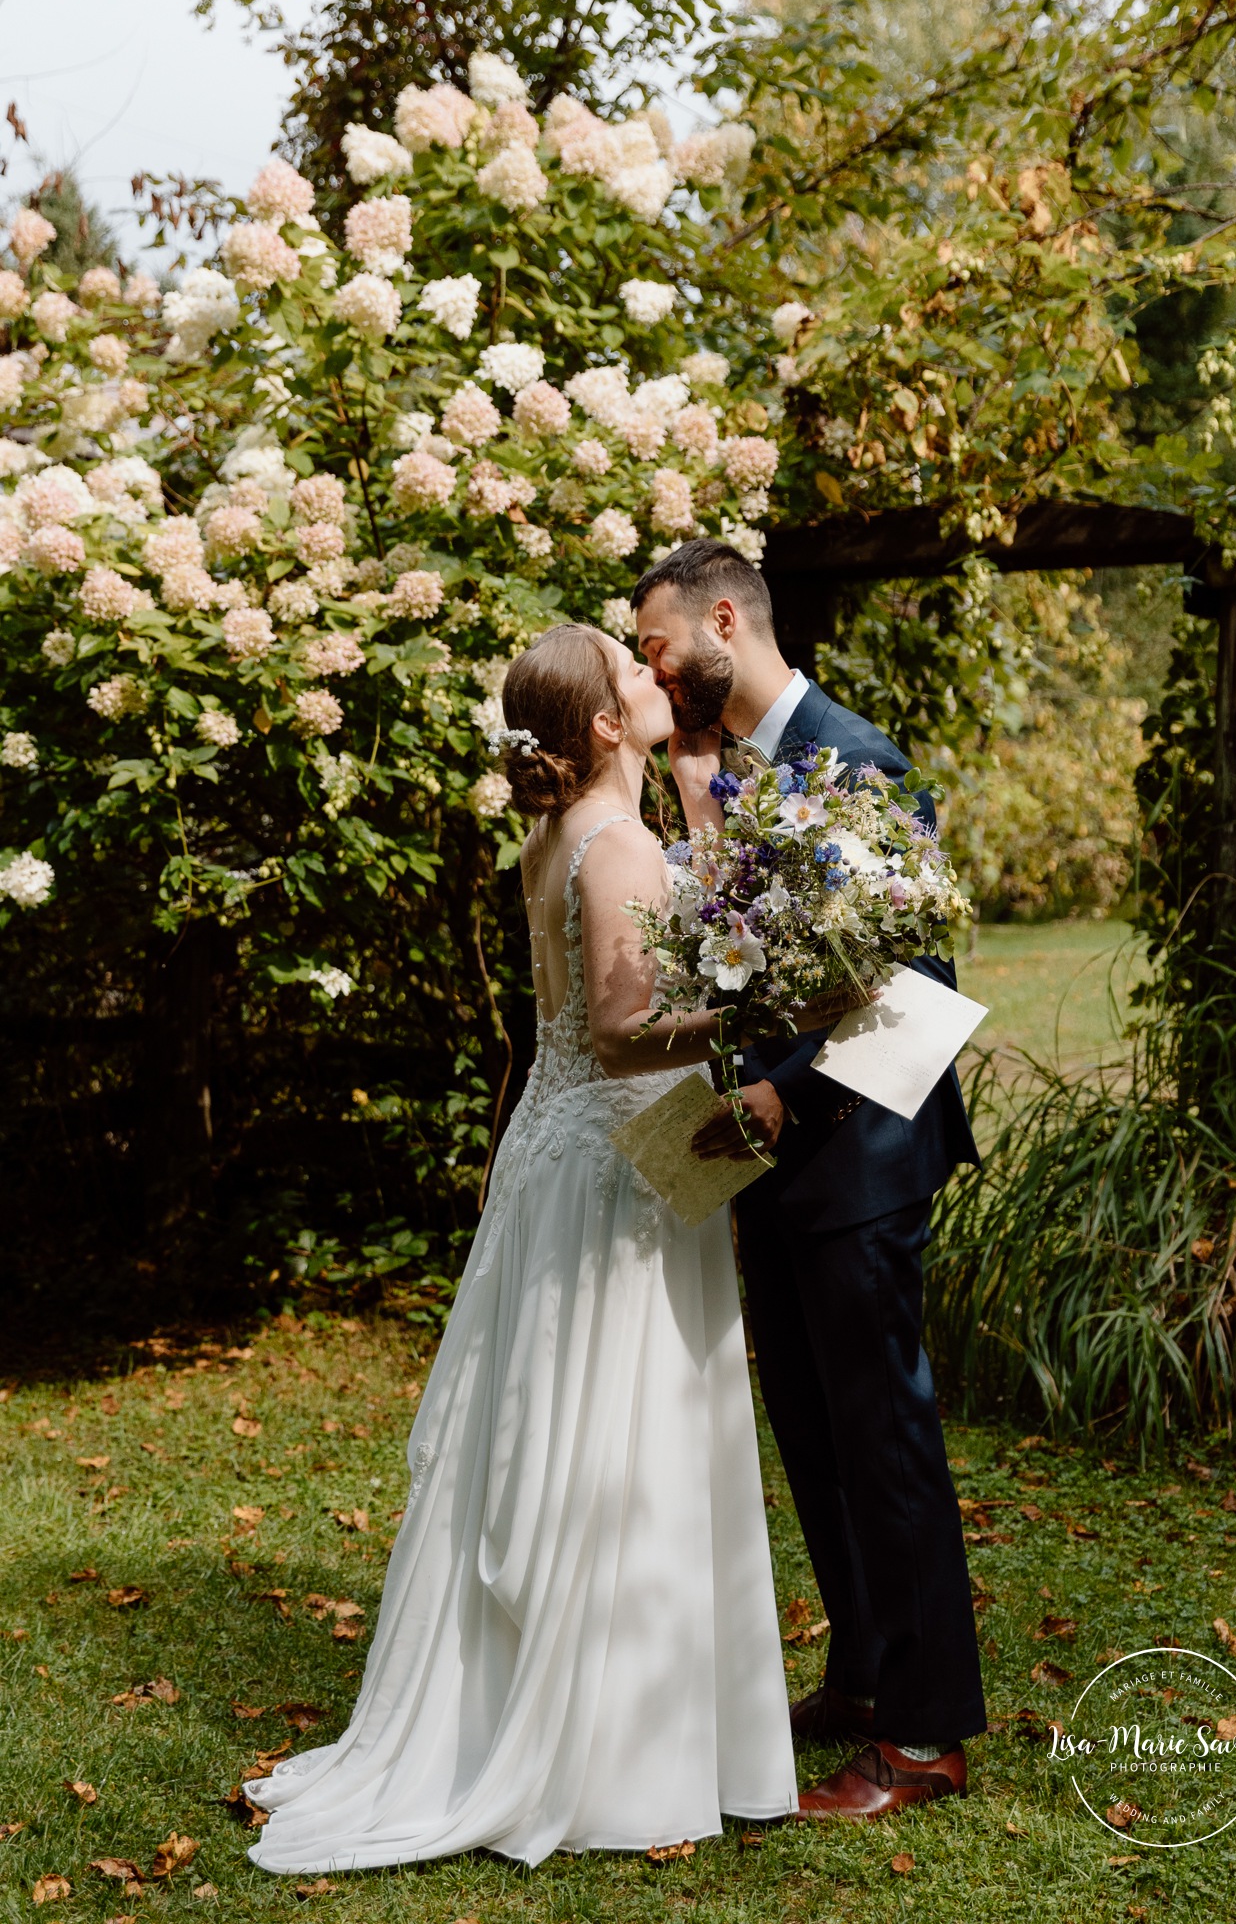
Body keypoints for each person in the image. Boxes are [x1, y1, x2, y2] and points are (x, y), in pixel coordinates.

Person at [244, 624, 804, 1872]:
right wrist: (777, 1005)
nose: (661, 681)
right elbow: (616, 1031)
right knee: (621, 1425)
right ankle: (615, 1749)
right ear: (604, 724)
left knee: (559, 1422)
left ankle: (613, 1715)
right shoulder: (618, 844)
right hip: (621, 1163)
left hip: (568, 1153)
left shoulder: (556, 838)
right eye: (637, 675)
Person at [632, 538, 987, 1821]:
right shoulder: (733, 770)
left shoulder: (858, 758)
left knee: (884, 1438)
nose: (651, 666)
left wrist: (793, 1090)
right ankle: (862, 1674)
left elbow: (911, 986)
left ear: (725, 618)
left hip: (861, 1157)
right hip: (776, 1169)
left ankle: (929, 1732)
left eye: (660, 641)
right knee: (816, 1441)